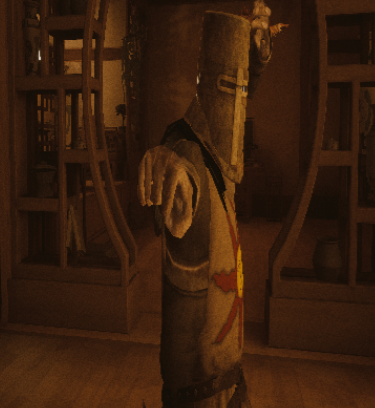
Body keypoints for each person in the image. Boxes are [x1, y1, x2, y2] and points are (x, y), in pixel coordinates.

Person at [138, 2, 287, 406]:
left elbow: (241, 92)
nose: (238, 103)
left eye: (243, 91)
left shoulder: (219, 162)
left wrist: (256, 52)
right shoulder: (190, 152)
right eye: (228, 88)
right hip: (197, 386)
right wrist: (169, 162)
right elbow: (183, 169)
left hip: (228, 370)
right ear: (205, 87)